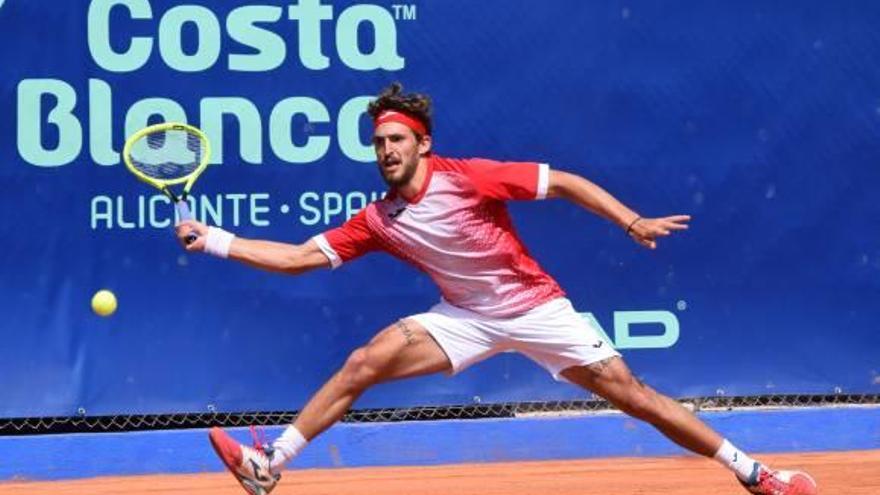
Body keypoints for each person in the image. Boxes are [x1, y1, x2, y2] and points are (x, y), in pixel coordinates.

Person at [176, 83, 817, 495]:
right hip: (464, 318)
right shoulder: (378, 220)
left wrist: (629, 220)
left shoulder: (470, 178)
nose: (386, 151)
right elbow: (294, 259)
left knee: (638, 399)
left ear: (423, 143)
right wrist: (214, 239)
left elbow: (562, 181)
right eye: (378, 143)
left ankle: (754, 473)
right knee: (363, 362)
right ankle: (270, 464)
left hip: (536, 307)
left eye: (396, 139)